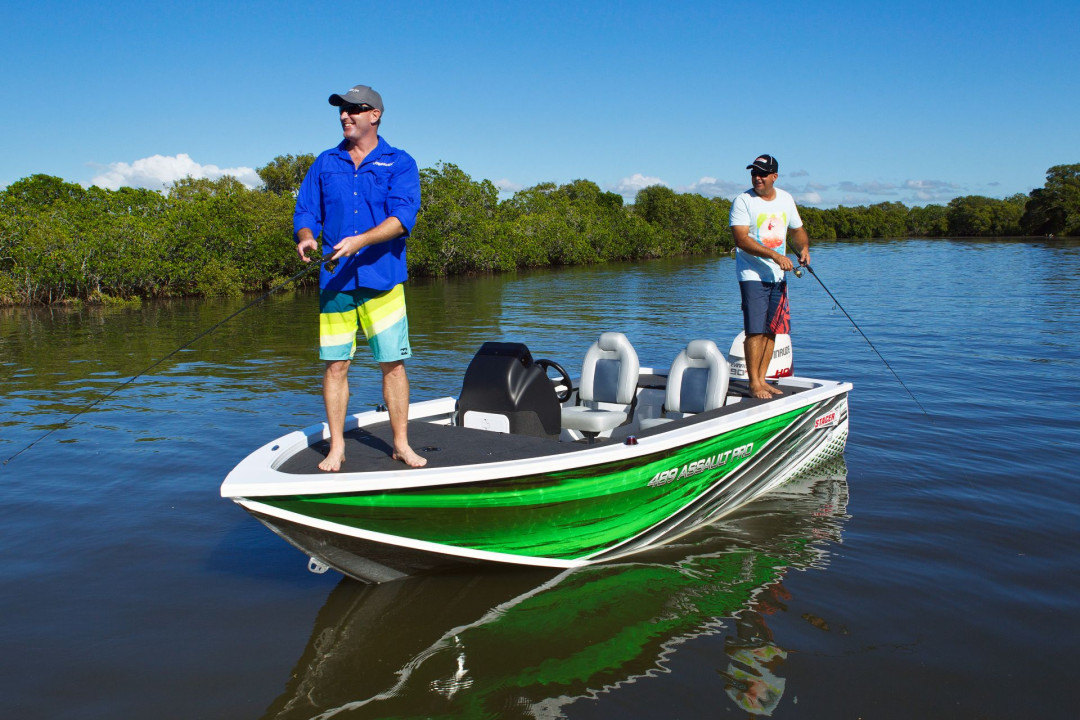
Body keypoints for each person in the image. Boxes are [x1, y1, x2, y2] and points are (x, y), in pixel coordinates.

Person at [294, 84, 426, 471]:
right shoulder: (325, 162)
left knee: (393, 364)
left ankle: (401, 444)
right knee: (335, 365)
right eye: (341, 109)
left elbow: (403, 219)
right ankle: (337, 448)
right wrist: (306, 239)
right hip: (335, 282)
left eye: (355, 108)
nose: (345, 115)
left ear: (376, 115)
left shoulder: (399, 162)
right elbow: (305, 212)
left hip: (382, 279)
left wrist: (361, 241)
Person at [729, 154, 810, 399]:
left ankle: (763, 380)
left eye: (762, 174)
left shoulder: (786, 199)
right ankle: (754, 384)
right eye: (754, 173)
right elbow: (741, 239)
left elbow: (798, 230)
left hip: (778, 277)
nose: (757, 177)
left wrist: (804, 248)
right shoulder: (743, 201)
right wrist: (775, 257)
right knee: (755, 330)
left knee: (772, 330)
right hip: (752, 274)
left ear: (774, 176)